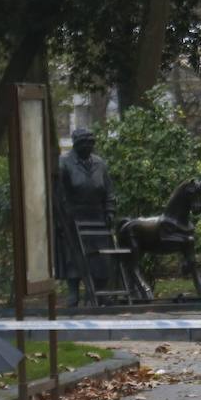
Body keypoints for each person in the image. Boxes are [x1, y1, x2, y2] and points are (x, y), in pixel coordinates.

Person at [56, 127, 116, 307]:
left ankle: (100, 292)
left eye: (92, 143)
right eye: (85, 143)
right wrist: (64, 217)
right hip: (75, 217)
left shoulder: (100, 163)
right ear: (77, 144)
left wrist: (110, 211)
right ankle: (73, 292)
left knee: (101, 256)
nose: (89, 146)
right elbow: (59, 193)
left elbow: (109, 191)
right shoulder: (64, 163)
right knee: (74, 256)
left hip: (97, 217)